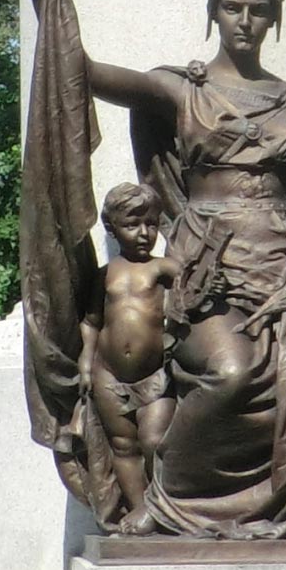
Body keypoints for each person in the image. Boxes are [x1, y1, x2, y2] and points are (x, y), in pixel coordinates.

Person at [28, 0, 286, 537]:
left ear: (274, 18)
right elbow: (84, 72)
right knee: (231, 372)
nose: (245, 20)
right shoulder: (185, 90)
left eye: (258, 9)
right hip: (213, 269)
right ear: (214, 12)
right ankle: (168, 496)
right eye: (233, 7)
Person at [77, 182, 178, 532]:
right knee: (123, 446)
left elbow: (193, 296)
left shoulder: (165, 269)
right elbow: (91, 323)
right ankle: (139, 511)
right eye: (133, 225)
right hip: (108, 375)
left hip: (156, 375)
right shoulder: (104, 276)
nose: (144, 233)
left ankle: (163, 505)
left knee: (154, 440)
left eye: (151, 224)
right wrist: (85, 363)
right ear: (111, 228)